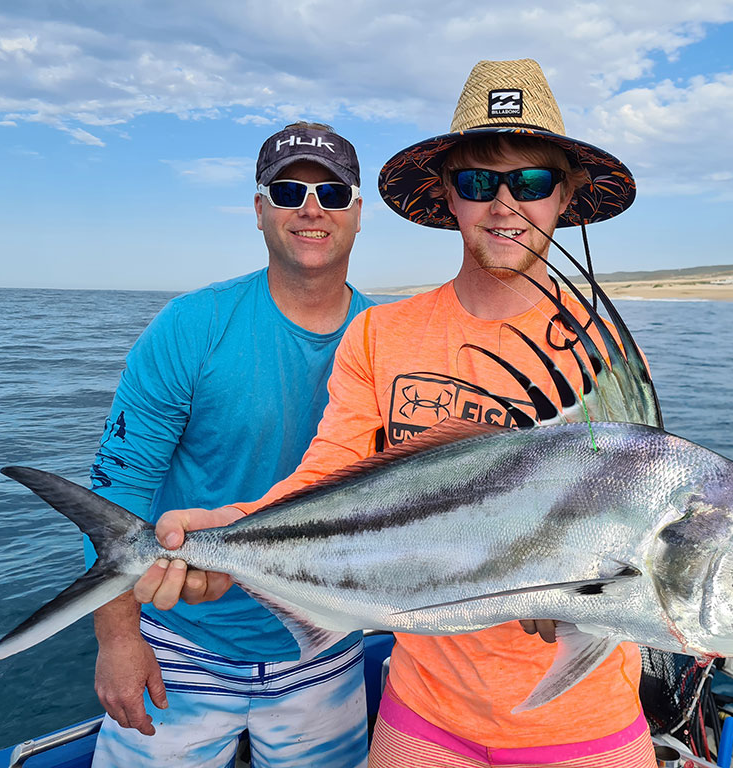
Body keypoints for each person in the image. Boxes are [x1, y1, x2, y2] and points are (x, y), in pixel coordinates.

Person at [138, 60, 656, 767]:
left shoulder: (606, 361)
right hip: (427, 711)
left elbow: (637, 526)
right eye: (479, 182)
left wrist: (582, 592)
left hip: (585, 718)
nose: (505, 203)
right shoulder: (382, 335)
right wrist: (234, 529)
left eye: (531, 181)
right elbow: (329, 479)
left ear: (564, 196)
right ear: (450, 197)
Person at [88, 121, 374, 768]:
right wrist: (116, 639)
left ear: (356, 214)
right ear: (258, 209)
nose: (310, 207)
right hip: (181, 644)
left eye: (331, 193)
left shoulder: (387, 341)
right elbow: (117, 492)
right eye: (287, 189)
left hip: (324, 647)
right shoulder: (191, 326)